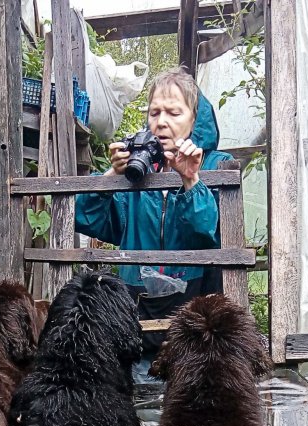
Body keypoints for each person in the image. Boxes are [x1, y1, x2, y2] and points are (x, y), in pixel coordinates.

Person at [75, 67, 233, 381]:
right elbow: (86, 217)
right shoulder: (138, 168)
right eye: (154, 112)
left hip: (196, 325)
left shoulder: (218, 165)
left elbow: (209, 232)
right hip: (139, 325)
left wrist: (191, 180)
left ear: (194, 117)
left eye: (174, 112)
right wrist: (113, 176)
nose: (161, 122)